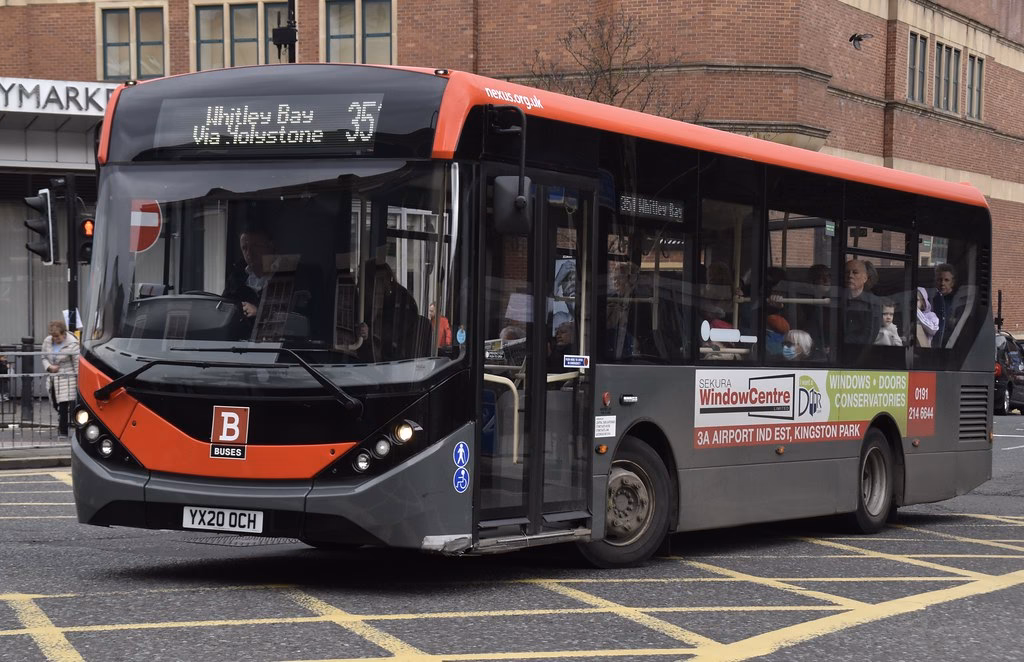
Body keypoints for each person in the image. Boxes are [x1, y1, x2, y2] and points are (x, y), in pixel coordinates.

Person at [41, 320, 79, 438]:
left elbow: (77, 363)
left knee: (63, 404)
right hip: (53, 377)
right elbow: (43, 357)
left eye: (57, 336)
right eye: (53, 336)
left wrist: (79, 380)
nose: (55, 339)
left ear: (64, 333)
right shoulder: (47, 341)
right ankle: (63, 423)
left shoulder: (73, 344)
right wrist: (49, 367)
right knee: (55, 403)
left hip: (67, 378)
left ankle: (63, 431)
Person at [843, 258, 881, 345]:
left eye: (855, 272)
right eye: (847, 272)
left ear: (865, 278)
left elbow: (869, 336)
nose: (850, 276)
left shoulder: (873, 303)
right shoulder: (836, 298)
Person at [931, 263, 964, 348]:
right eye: (939, 279)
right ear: (935, 281)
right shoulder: (930, 300)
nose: (942, 283)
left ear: (952, 282)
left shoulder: (958, 303)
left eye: (946, 280)